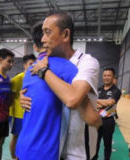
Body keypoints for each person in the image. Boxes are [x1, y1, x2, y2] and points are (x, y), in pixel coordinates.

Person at [20, 11, 101, 160]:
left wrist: (44, 72)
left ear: (65, 35)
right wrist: (24, 98)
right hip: (54, 151)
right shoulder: (47, 64)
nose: (43, 39)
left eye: (47, 32)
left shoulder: (86, 62)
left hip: (79, 153)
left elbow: (72, 100)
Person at [8, 54, 36, 159]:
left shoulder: (36, 78)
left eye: (34, 64)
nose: (33, 66)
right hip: (18, 115)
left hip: (30, 114)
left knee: (28, 137)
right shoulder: (17, 79)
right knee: (16, 137)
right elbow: (9, 97)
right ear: (24, 65)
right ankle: (14, 157)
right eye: (30, 64)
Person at [92, 68, 121, 160]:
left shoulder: (116, 91)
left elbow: (110, 102)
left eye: (109, 75)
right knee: (94, 144)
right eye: (104, 75)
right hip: (96, 120)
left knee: (107, 145)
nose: (106, 77)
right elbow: (93, 104)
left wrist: (96, 101)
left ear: (113, 77)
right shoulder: (98, 90)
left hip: (108, 121)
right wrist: (101, 102)